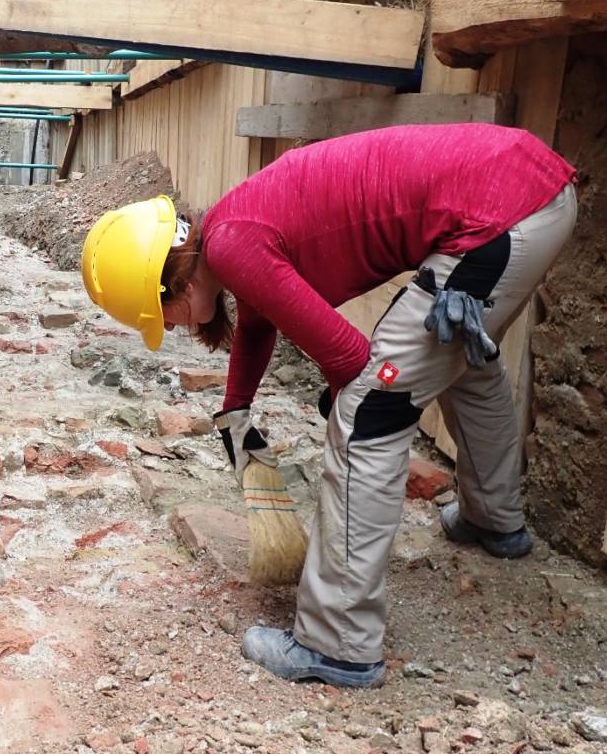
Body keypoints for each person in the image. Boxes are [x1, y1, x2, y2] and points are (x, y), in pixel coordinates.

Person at [79, 123, 577, 688]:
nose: (167, 327)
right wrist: (235, 408)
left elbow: (350, 361)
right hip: (529, 193)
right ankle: (495, 521)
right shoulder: (229, 229)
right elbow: (260, 316)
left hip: (497, 219)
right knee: (462, 360)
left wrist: (344, 394)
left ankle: (338, 643)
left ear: (173, 283)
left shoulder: (233, 244)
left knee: (369, 408)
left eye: (157, 314)